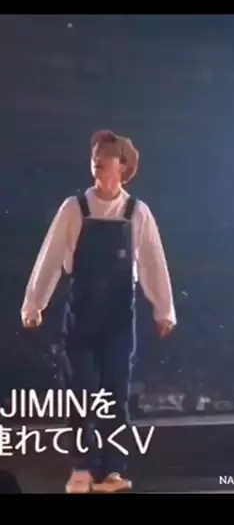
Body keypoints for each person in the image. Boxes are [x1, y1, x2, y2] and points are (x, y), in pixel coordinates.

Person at [21, 130, 176, 494]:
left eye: (106, 155)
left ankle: (112, 471)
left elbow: (153, 262)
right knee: (81, 392)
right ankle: (81, 467)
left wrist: (164, 310)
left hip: (119, 318)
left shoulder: (137, 212)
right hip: (82, 318)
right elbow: (50, 256)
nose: (97, 160)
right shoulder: (74, 207)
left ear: (123, 166)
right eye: (94, 155)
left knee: (115, 396)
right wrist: (34, 304)